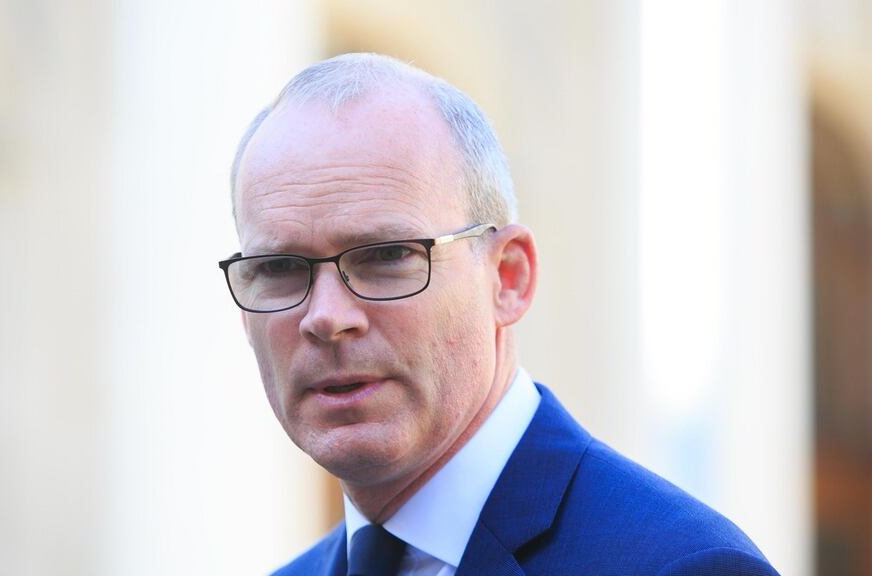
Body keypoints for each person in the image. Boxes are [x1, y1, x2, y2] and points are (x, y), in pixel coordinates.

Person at [219, 53, 779, 576]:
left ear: (508, 278)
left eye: (387, 256)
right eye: (279, 268)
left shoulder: (682, 565)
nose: (326, 317)